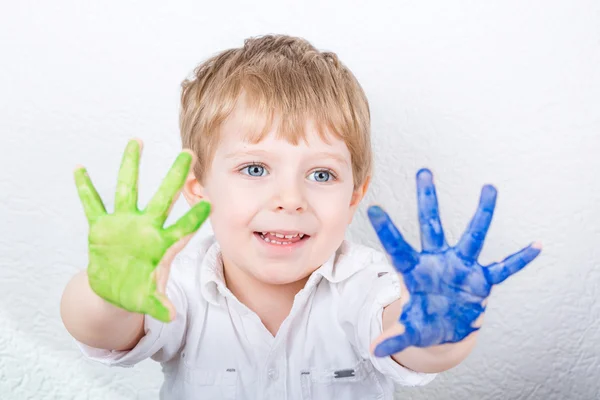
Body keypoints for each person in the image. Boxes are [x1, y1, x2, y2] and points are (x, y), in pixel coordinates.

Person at [60, 34, 542, 399]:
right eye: (255, 168)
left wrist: (438, 326)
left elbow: (412, 343)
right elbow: (104, 331)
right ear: (198, 189)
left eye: (322, 175)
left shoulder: (368, 283)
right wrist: (107, 295)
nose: (290, 198)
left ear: (355, 193)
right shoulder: (179, 284)